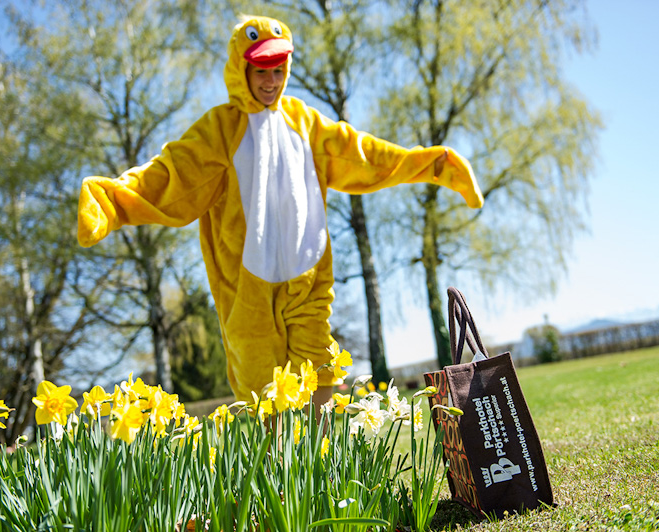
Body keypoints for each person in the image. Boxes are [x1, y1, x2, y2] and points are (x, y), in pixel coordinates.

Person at [77, 15, 484, 409]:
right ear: (242, 69)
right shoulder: (220, 129)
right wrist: (111, 200)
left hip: (308, 278)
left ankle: (323, 466)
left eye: (278, 69)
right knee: (260, 389)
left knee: (322, 370)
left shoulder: (305, 122)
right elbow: (171, 174)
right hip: (247, 287)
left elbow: (365, 155)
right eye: (260, 71)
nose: (270, 82)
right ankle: (280, 473)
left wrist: (432, 164)